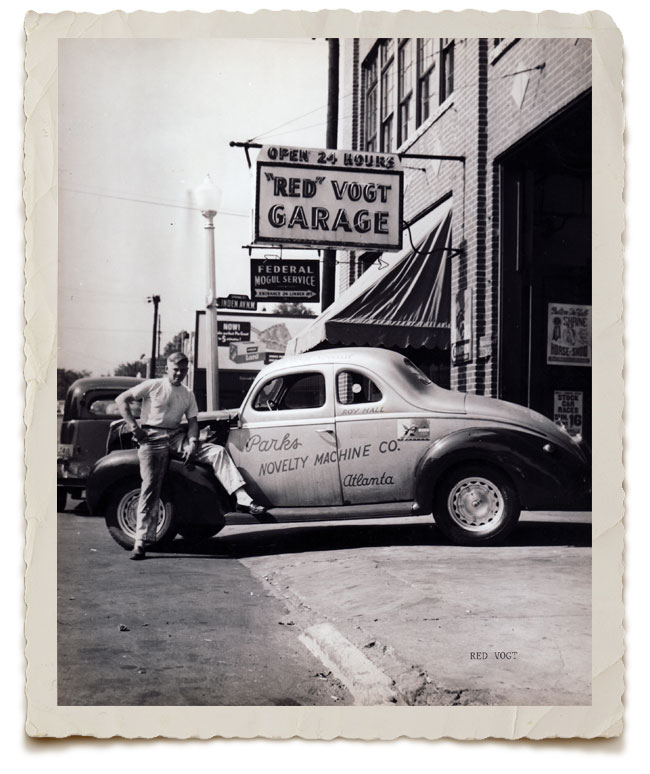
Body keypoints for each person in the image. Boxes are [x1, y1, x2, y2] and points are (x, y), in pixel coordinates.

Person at [115, 351, 265, 560]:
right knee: (150, 487)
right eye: (175, 369)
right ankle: (141, 541)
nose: (178, 374)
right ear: (167, 368)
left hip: (177, 437)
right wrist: (134, 427)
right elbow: (122, 399)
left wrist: (193, 442)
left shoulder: (187, 393)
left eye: (183, 370)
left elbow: (193, 422)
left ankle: (242, 497)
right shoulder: (153, 385)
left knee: (217, 451)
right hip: (152, 437)